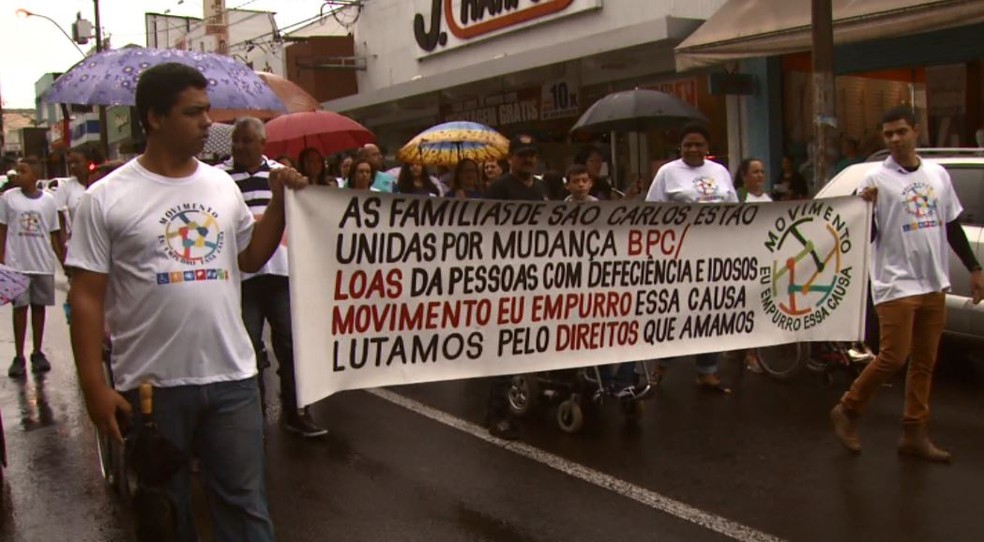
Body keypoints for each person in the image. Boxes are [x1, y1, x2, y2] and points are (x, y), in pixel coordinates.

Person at [67, 62, 307, 541]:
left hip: (232, 379)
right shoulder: (104, 199)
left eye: (208, 111)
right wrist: (95, 386)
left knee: (246, 511)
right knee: (166, 516)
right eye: (194, 113)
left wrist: (280, 203)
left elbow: (251, 257)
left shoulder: (221, 185)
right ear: (155, 118)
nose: (207, 124)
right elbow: (87, 297)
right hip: (153, 389)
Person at [830, 106, 983, 462]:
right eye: (888, 135)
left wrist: (974, 268)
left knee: (925, 362)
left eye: (901, 132)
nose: (895, 139)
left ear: (916, 131)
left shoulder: (938, 174)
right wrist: (861, 208)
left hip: (933, 282)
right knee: (893, 357)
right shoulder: (875, 181)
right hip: (895, 283)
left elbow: (951, 225)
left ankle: (914, 432)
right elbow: (861, 234)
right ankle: (848, 409)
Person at [217, 116, 326, 437]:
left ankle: (296, 410)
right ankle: (254, 412)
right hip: (242, 278)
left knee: (292, 344)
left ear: (263, 144)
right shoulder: (219, 178)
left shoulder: (280, 176)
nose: (239, 146)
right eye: (236, 140)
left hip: (280, 273)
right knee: (247, 346)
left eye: (247, 140)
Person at [646, 123, 737, 393]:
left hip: (714, 254)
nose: (693, 149)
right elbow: (651, 211)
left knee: (710, 311)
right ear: (680, 147)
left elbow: (735, 210)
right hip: (679, 255)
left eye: (698, 144)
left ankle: (707, 371)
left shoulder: (719, 171)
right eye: (688, 144)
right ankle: (660, 367)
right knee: (676, 311)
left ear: (707, 147)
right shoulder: (667, 172)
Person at [482, 134, 548, 441]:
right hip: (508, 277)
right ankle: (496, 415)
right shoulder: (498, 189)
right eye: (522, 155)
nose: (528, 160)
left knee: (528, 343)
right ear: (511, 159)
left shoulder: (541, 188)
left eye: (532, 155)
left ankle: (523, 400)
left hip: (536, 276)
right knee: (506, 345)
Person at [1, 157, 64, 378]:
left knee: (39, 309)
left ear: (35, 176)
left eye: (23, 171)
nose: (17, 174)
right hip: (17, 265)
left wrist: (65, 264)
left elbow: (55, 234)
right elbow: (2, 230)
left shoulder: (48, 201)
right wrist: (1, 262)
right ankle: (18, 356)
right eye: (17, 170)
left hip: (42, 264)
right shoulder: (9, 198)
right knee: (20, 310)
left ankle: (37, 352)